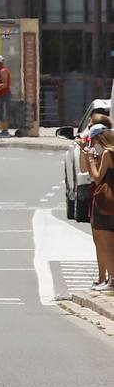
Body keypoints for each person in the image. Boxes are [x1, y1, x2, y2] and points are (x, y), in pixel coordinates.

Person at [83, 124, 114, 290]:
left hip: (107, 202)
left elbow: (96, 177)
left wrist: (90, 160)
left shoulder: (108, 154)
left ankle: (111, 280)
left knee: (104, 242)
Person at [0, 54, 12, 136]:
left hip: (4, 95)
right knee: (0, 113)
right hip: (0, 95)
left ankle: (5, 131)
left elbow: (5, 84)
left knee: (4, 113)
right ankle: (3, 130)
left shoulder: (3, 71)